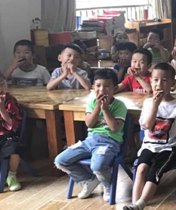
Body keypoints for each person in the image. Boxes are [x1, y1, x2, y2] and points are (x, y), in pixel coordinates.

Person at [122, 63, 176, 210]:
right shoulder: (148, 103)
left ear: (172, 83)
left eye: (164, 80)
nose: (159, 84)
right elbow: (147, 126)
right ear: (150, 81)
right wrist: (155, 105)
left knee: (154, 172)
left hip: (169, 148)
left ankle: (139, 206)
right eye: (155, 80)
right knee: (141, 170)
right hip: (148, 146)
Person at [54, 69, 128, 201]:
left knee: (97, 166)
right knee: (60, 161)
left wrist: (105, 109)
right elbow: (89, 124)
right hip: (89, 141)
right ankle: (89, 180)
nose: (102, 90)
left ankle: (107, 185)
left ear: (115, 88)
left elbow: (114, 128)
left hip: (109, 142)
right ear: (93, 87)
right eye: (98, 86)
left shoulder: (119, 105)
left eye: (107, 86)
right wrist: (98, 107)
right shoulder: (92, 103)